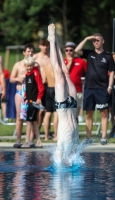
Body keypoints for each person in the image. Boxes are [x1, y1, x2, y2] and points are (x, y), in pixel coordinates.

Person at [75, 34, 115, 145]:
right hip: (89, 88)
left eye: (98, 40)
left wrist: (110, 86)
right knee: (88, 114)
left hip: (102, 88)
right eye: (94, 41)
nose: (96, 42)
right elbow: (77, 50)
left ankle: (103, 136)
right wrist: (87, 38)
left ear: (103, 41)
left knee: (104, 113)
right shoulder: (89, 53)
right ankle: (88, 137)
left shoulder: (107, 56)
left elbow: (112, 72)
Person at [48, 24, 79, 160]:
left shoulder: (61, 152)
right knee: (65, 72)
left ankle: (53, 41)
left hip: (63, 108)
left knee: (59, 73)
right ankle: (55, 41)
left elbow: (58, 155)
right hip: (71, 108)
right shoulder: (70, 154)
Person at [10, 44, 37, 148]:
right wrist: (18, 78)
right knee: (19, 117)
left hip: (31, 94)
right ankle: (18, 140)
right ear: (24, 52)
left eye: (32, 52)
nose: (30, 53)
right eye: (28, 51)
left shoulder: (35, 65)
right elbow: (11, 79)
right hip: (20, 93)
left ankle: (29, 140)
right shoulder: (18, 65)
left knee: (29, 118)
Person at [21, 56, 44, 148]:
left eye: (30, 66)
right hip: (29, 100)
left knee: (29, 121)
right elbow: (28, 87)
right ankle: (38, 141)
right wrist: (26, 95)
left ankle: (27, 141)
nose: (29, 68)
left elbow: (40, 86)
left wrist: (39, 98)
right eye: (27, 66)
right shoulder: (27, 74)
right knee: (33, 121)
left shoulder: (35, 73)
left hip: (34, 101)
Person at [64, 41, 87, 123]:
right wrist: (70, 63)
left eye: (71, 50)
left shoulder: (81, 61)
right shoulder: (62, 61)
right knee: (65, 115)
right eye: (66, 50)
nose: (68, 52)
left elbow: (89, 73)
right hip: (65, 91)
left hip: (77, 91)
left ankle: (75, 134)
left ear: (74, 51)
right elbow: (63, 73)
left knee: (75, 115)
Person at [33, 39, 50, 129]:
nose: (45, 47)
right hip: (37, 86)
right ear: (39, 46)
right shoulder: (35, 57)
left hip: (48, 85)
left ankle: (47, 131)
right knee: (38, 111)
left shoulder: (51, 57)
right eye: (43, 45)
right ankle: (36, 131)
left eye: (47, 45)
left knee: (48, 111)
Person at [43, 62, 58, 141]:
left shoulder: (46, 65)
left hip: (48, 88)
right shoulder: (56, 65)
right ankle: (56, 135)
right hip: (56, 89)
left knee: (48, 113)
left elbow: (44, 79)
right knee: (56, 113)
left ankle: (46, 136)